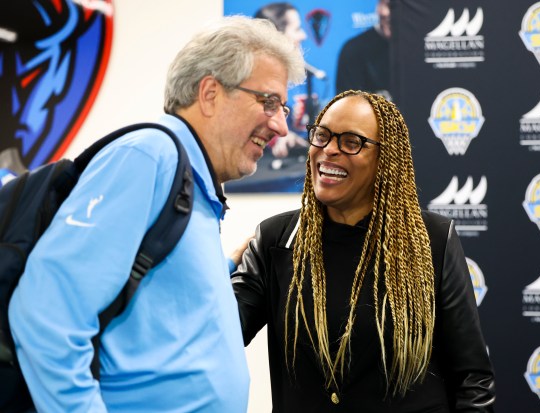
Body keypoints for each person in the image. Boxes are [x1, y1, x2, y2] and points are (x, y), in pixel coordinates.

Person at [8, 15, 305, 412]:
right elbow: (45, 312)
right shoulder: (150, 156)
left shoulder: (192, 182)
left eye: (283, 107)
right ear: (211, 93)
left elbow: (157, 302)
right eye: (269, 102)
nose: (282, 126)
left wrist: (224, 266)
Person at [231, 91, 496, 411]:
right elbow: (219, 334)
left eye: (351, 142)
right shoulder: (277, 240)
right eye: (322, 136)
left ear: (386, 160)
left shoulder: (431, 240)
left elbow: (472, 379)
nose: (329, 150)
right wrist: (218, 269)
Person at [254, 2, 312, 159]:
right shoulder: (252, 85)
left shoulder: (305, 76)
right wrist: (274, 139)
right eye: (297, 29)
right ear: (277, 38)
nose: (304, 36)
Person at [336, 0, 392, 100]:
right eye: (388, 5)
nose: (388, 13)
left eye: (395, 7)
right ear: (378, 7)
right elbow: (345, 110)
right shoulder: (353, 50)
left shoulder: (423, 48)